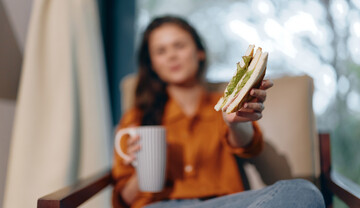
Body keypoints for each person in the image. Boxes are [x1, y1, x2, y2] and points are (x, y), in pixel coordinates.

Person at [112, 15, 325, 208]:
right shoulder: (136, 118)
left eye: (179, 46)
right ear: (152, 64)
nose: (171, 56)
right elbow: (125, 200)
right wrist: (144, 168)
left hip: (225, 203)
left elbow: (248, 146)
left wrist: (236, 122)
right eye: (161, 51)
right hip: (161, 206)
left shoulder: (225, 103)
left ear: (199, 52)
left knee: (302, 191)